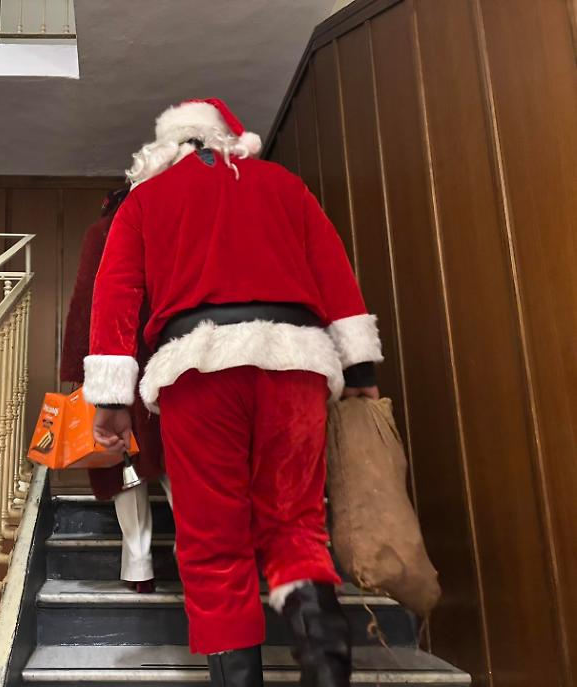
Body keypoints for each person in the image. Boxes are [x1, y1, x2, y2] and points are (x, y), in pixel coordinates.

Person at [83, 98, 382, 687]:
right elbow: (334, 270)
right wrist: (360, 371)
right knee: (295, 524)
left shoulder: (145, 200)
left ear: (167, 147)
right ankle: (327, 668)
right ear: (229, 139)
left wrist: (112, 401)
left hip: (197, 370)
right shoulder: (283, 185)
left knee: (213, 541)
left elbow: (114, 295)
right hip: (296, 363)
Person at [60, 188, 172, 593]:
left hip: (113, 357)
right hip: (165, 354)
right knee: (176, 460)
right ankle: (205, 557)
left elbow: (85, 301)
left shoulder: (102, 231)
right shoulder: (168, 223)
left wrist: (81, 368)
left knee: (123, 463)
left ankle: (139, 567)